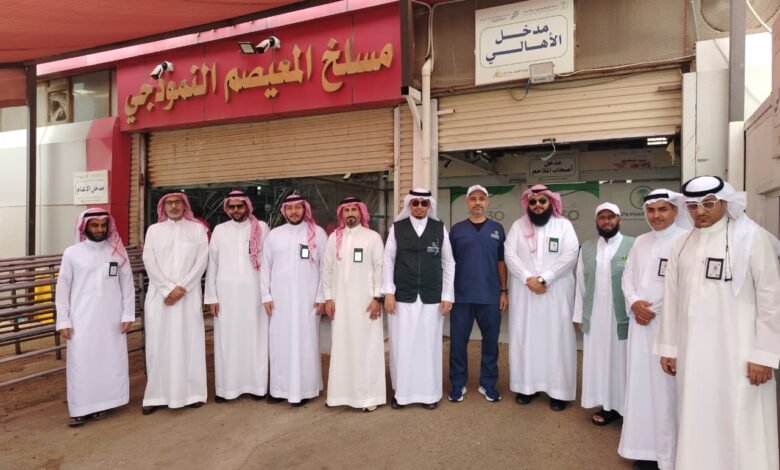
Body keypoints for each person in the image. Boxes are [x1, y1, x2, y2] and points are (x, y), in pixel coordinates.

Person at [654, 176, 780, 470]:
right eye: (693, 205)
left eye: (708, 204)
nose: (700, 211)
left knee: (741, 421)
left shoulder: (752, 239)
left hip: (740, 355)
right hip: (692, 355)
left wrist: (764, 355)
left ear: (725, 202)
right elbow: (671, 298)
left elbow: (771, 299)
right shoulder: (681, 244)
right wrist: (669, 348)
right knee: (696, 417)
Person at [618, 189, 689, 470]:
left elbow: (683, 286)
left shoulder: (686, 240)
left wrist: (651, 309)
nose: (656, 215)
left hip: (668, 327)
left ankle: (669, 456)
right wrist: (635, 302)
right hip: (640, 326)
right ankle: (645, 450)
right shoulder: (640, 241)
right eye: (651, 210)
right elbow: (627, 277)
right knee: (640, 388)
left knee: (666, 391)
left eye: (662, 209)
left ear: (675, 211)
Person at [55, 208, 135, 427]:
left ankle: (105, 403)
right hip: (81, 319)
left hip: (112, 318)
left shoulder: (116, 251)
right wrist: (63, 320)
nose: (100, 229)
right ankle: (79, 408)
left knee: (110, 360)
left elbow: (127, 284)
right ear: (85, 227)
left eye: (103, 225)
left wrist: (128, 313)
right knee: (81, 362)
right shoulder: (72, 253)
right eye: (95, 225)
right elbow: (62, 289)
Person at [504, 184, 579, 411]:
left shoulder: (564, 225)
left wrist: (545, 278)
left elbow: (571, 254)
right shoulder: (518, 226)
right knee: (526, 338)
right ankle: (527, 387)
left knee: (557, 340)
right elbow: (509, 254)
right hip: (525, 294)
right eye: (533, 201)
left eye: (542, 201)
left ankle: (558, 391)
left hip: (555, 294)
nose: (537, 205)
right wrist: (528, 278)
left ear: (550, 202)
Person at [382, 188, 455, 410]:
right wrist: (388, 292)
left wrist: (448, 295)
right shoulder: (397, 228)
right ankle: (401, 394)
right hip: (403, 297)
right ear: (409, 205)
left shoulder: (439, 228)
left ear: (429, 205)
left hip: (432, 297)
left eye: (424, 203)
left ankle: (429, 394)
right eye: (416, 203)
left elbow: (448, 263)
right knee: (402, 346)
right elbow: (388, 261)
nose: (420, 207)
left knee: (428, 345)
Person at [141, 192, 209, 414]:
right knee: (157, 345)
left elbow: (202, 261)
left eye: (177, 202)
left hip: (187, 296)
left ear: (184, 205)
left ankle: (193, 393)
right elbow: (149, 261)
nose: (173, 206)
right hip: (160, 297)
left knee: (190, 343)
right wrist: (167, 288)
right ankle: (156, 395)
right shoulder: (154, 231)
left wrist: (182, 287)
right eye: (169, 203)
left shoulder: (197, 229)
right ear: (163, 207)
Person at [261, 193, 328, 406]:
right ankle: (279, 389)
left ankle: (304, 390)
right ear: (284, 211)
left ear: (304, 209)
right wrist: (266, 295)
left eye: (298, 208)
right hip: (279, 300)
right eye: (290, 208)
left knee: (305, 343)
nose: (294, 212)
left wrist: (321, 295)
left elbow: (325, 267)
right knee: (279, 343)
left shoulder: (317, 233)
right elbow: (265, 267)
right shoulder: (274, 235)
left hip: (307, 300)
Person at [204, 190, 270, 403]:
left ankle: (257, 387)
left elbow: (268, 263)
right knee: (227, 340)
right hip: (226, 295)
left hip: (255, 293)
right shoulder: (220, 230)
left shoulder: (261, 228)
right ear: (227, 209)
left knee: (256, 338)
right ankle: (226, 389)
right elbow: (212, 264)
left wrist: (268, 294)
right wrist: (211, 297)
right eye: (231, 207)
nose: (236, 210)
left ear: (247, 206)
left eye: (239, 206)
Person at [322, 197, 386, 412]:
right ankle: (339, 395)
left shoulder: (372, 237)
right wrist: (328, 298)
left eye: (354, 210)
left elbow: (380, 269)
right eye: (346, 210)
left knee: (366, 348)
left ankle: (368, 398)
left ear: (361, 213)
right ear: (341, 214)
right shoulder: (334, 238)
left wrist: (378, 298)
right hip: (340, 304)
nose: (350, 214)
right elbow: (327, 269)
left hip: (366, 304)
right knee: (342, 348)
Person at [573, 202, 634, 426]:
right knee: (600, 361)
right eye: (602, 217)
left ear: (619, 219)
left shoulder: (633, 245)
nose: (606, 221)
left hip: (623, 317)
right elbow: (581, 283)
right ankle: (607, 405)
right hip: (595, 316)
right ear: (596, 221)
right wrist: (579, 315)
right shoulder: (587, 248)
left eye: (611, 217)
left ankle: (628, 408)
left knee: (622, 361)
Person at [447, 185, 507, 403]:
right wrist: (447, 294)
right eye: (473, 199)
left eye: (482, 198)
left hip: (489, 295)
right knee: (458, 343)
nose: (478, 202)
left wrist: (503, 291)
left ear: (487, 202)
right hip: (461, 296)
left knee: (490, 342)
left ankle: (488, 383)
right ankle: (458, 384)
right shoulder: (457, 230)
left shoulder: (497, 229)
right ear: (467, 202)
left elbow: (501, 262)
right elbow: (449, 264)